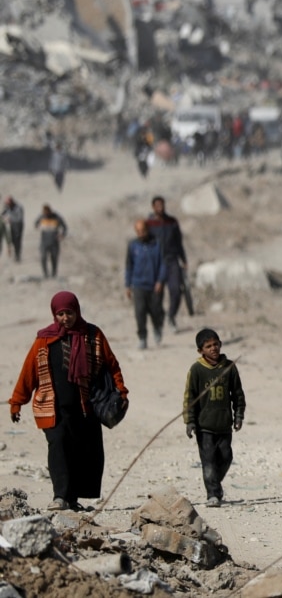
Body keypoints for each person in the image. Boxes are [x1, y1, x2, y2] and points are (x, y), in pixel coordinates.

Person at [8, 291, 128, 511]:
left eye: (69, 313)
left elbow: (112, 364)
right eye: (61, 314)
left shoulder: (93, 335)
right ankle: (60, 496)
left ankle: (72, 499)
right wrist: (17, 401)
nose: (65, 318)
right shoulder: (44, 339)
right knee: (58, 446)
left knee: (81, 450)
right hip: (53, 407)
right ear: (55, 314)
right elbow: (29, 372)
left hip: (85, 406)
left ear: (77, 311)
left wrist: (121, 390)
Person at [183, 328, 245, 508]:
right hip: (205, 427)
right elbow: (189, 397)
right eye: (208, 346)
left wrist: (239, 415)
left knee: (226, 457)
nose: (213, 348)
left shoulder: (229, 368)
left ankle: (214, 483)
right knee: (208, 462)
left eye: (216, 344)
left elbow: (238, 394)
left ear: (221, 345)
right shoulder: (196, 370)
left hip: (224, 425)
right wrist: (190, 421)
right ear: (200, 350)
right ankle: (213, 494)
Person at [147, 197, 188, 332]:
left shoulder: (172, 222)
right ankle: (160, 319)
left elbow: (179, 242)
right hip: (156, 263)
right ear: (153, 207)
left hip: (172, 260)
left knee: (176, 290)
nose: (160, 207)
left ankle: (171, 316)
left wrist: (184, 259)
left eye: (162, 205)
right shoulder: (150, 224)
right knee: (157, 296)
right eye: (157, 205)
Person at [126, 219, 166, 349]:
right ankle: (142, 338)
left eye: (143, 230)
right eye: (138, 231)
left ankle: (157, 328)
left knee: (156, 311)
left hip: (154, 285)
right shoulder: (133, 246)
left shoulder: (157, 244)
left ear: (147, 230)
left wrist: (160, 281)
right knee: (140, 312)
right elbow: (129, 266)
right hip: (138, 285)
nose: (141, 233)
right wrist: (128, 285)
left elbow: (163, 264)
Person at [35, 204, 68, 279]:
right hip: (44, 242)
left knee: (54, 258)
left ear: (50, 211)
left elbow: (65, 227)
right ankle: (45, 274)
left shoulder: (56, 217)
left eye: (47, 213)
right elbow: (36, 224)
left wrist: (62, 235)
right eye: (44, 213)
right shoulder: (42, 217)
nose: (46, 214)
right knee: (43, 257)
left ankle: (54, 273)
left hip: (54, 242)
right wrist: (39, 227)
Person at [2, 195, 25, 262]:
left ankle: (18, 255)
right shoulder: (7, 207)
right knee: (13, 240)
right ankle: (16, 252)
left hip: (18, 225)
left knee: (17, 240)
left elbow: (19, 218)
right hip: (12, 225)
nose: (7, 205)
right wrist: (4, 218)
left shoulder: (19, 207)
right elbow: (3, 214)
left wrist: (10, 219)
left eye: (8, 203)